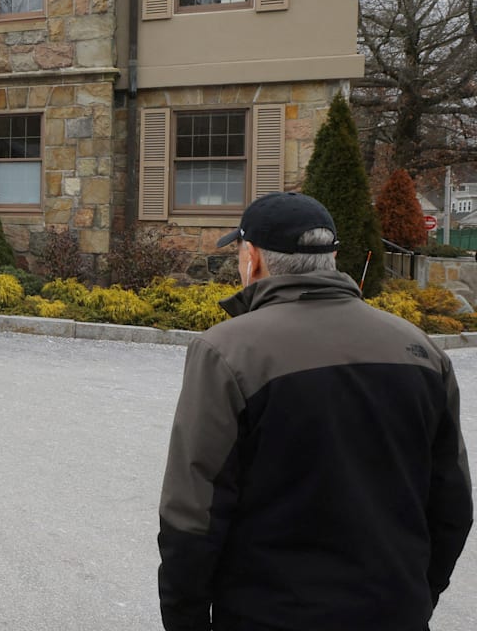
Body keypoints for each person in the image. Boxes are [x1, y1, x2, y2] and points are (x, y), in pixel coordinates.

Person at [158, 192, 472, 631]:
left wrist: (184, 619)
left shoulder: (227, 351)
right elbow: (452, 503)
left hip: (270, 614)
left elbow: (193, 514)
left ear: (253, 260)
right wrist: (418, 594)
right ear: (333, 257)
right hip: (395, 608)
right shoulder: (419, 349)